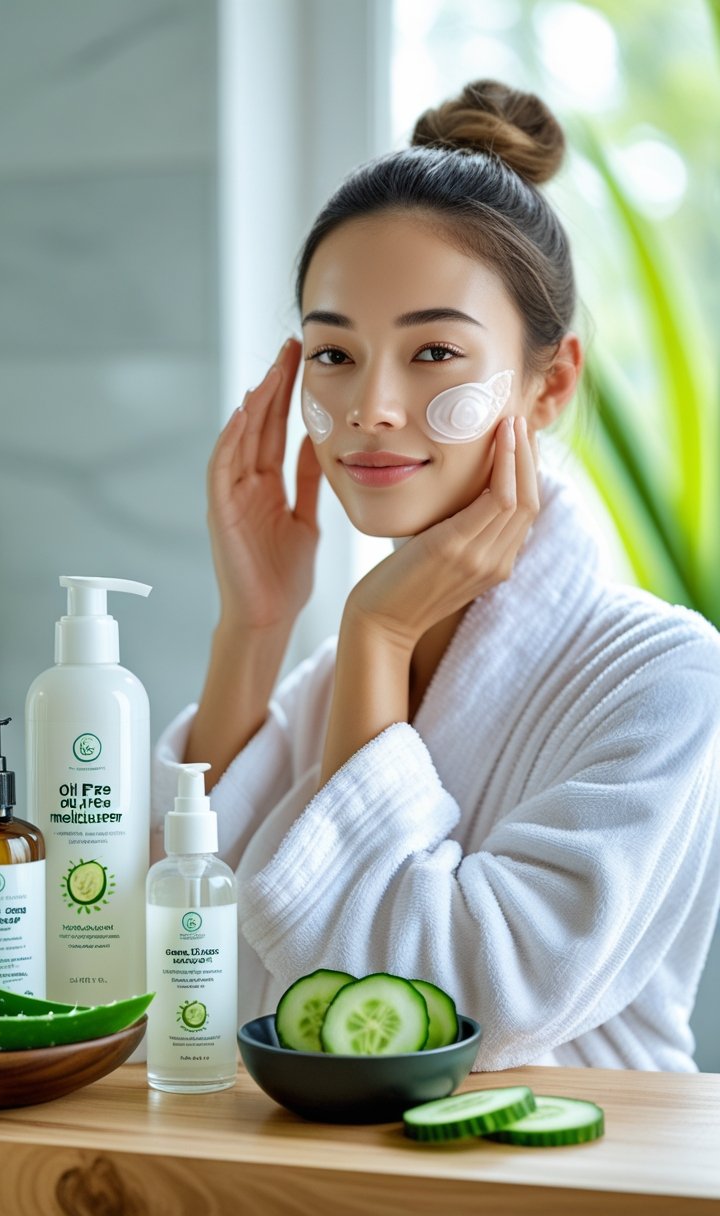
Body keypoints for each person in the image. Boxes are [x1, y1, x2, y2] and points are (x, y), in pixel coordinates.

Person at [152, 80, 720, 1071]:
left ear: (550, 384)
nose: (370, 404)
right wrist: (254, 622)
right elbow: (169, 963)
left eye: (432, 352)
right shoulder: (340, 679)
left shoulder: (668, 675)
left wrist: (374, 632)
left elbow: (436, 1011)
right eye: (334, 351)